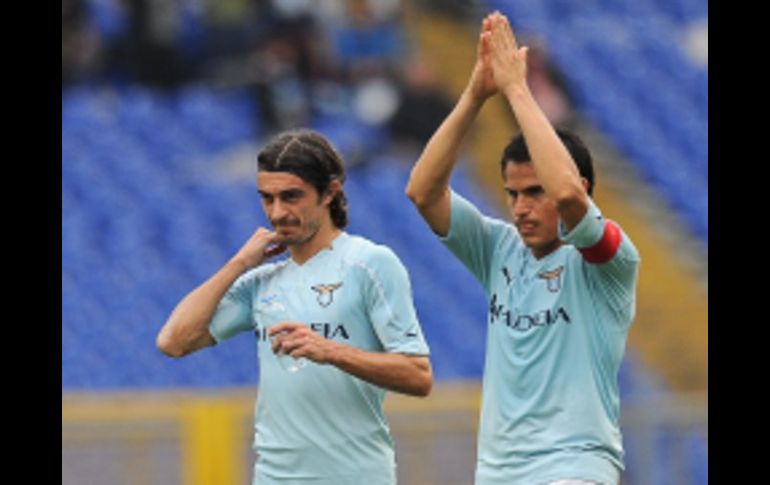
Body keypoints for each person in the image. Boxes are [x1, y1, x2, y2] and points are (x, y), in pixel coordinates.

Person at [405, 12, 640, 485]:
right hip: (499, 471)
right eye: (513, 194)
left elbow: (570, 196)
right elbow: (423, 192)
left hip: (576, 466)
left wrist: (517, 89)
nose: (520, 207)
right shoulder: (498, 250)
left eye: (535, 192)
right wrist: (475, 94)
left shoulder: (607, 260)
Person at [157, 129, 432, 485]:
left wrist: (330, 350)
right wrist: (239, 263)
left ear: (330, 192)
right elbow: (173, 341)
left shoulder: (370, 263)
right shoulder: (261, 282)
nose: (277, 212)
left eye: (291, 197)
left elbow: (418, 375)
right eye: (267, 199)